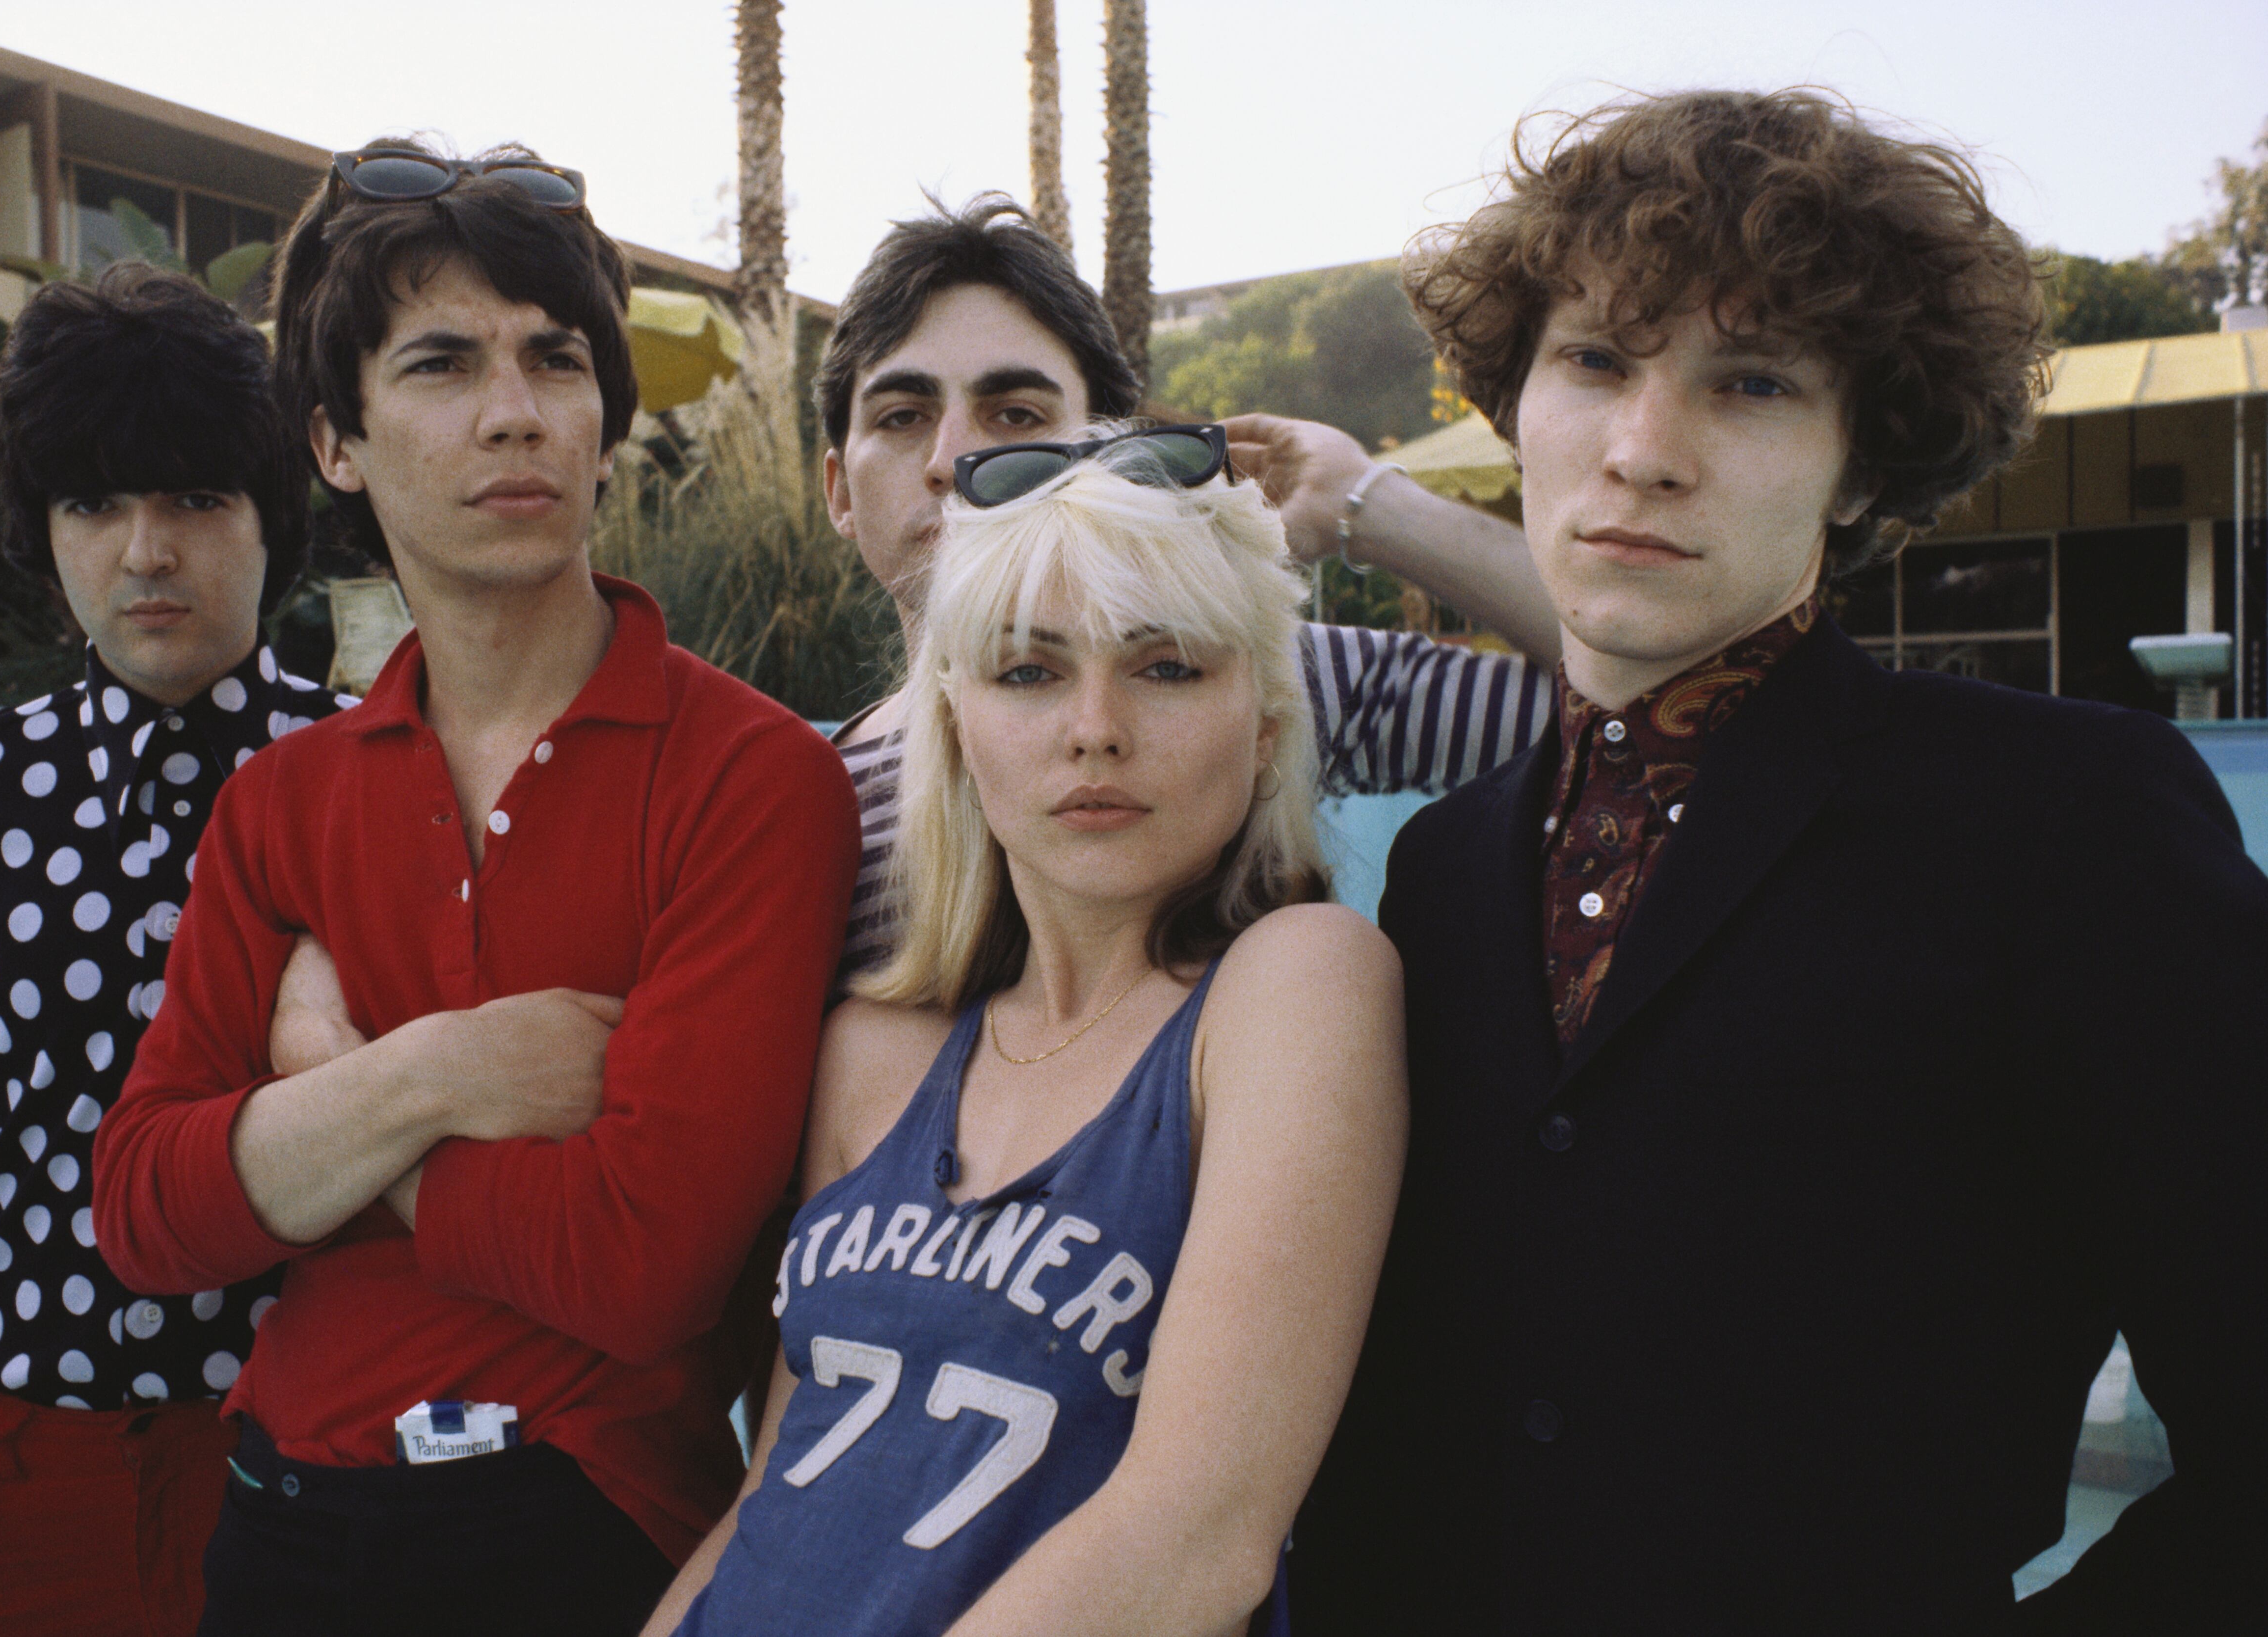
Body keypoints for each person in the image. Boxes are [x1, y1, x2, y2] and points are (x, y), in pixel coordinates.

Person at [1287, 89, 2268, 1634]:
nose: (1642, 450)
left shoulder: (2067, 821)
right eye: (1595, 360)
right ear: (1515, 400)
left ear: (1863, 468)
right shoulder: (1443, 869)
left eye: (1748, 383)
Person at [87, 142, 859, 1632]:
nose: (516, 411)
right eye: (442, 364)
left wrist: (327, 1116)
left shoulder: (750, 778)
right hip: (285, 1523)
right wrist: (435, 1075)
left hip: (589, 1528)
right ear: (335, 443)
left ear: (602, 415)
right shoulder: (280, 804)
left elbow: (646, 1268)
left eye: (554, 359)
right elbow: (141, 1214)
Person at [640, 426, 1405, 1637]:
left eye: (1166, 667)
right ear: (956, 725)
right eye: (1029, 671)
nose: (1095, 726)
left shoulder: (1289, 992)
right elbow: (775, 1491)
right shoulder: (870, 1054)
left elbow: (1199, 1536)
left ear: (1263, 724)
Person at [0, 264, 336, 1636]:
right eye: (95, 503)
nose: (146, 551)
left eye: (195, 499)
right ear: (41, 527)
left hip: (316, 1477)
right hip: (10, 1479)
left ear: (270, 516)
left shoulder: (375, 776)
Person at [811, 198, 1564, 978]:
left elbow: (1640, 708)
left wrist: (1371, 506)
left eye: (1016, 413)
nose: (953, 459)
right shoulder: (792, 801)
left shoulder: (1255, 679)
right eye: (902, 416)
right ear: (838, 491)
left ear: (1112, 455)